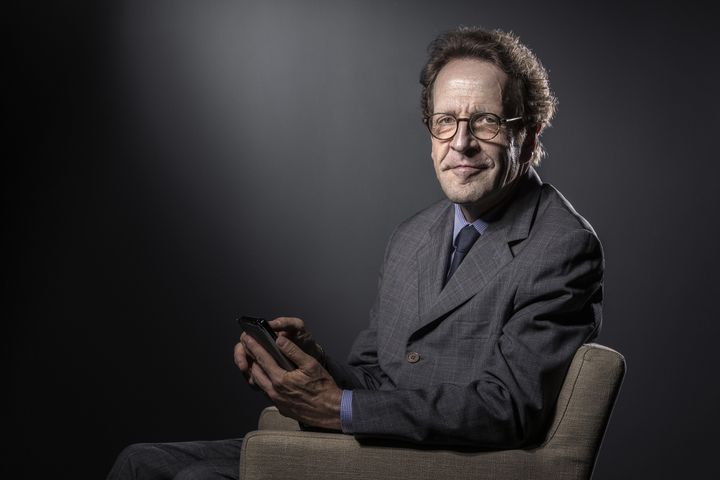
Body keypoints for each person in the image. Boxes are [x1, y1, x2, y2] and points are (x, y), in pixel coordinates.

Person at [107, 26, 603, 479]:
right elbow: (379, 379)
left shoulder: (562, 245)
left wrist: (337, 408)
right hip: (377, 445)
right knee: (139, 464)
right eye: (445, 121)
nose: (462, 143)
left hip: (439, 466)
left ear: (530, 135)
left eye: (487, 122)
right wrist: (313, 364)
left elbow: (506, 407)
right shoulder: (412, 237)